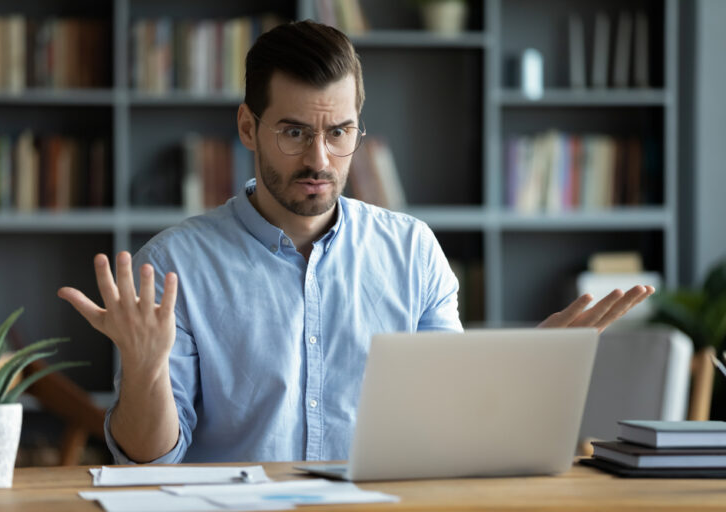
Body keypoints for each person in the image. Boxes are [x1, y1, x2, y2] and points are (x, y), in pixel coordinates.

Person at [58, 21, 654, 464]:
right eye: (294, 132)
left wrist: (521, 371)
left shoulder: (413, 251)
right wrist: (144, 369)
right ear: (248, 127)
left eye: (339, 132)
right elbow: (149, 460)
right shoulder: (174, 266)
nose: (320, 159)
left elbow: (447, 427)